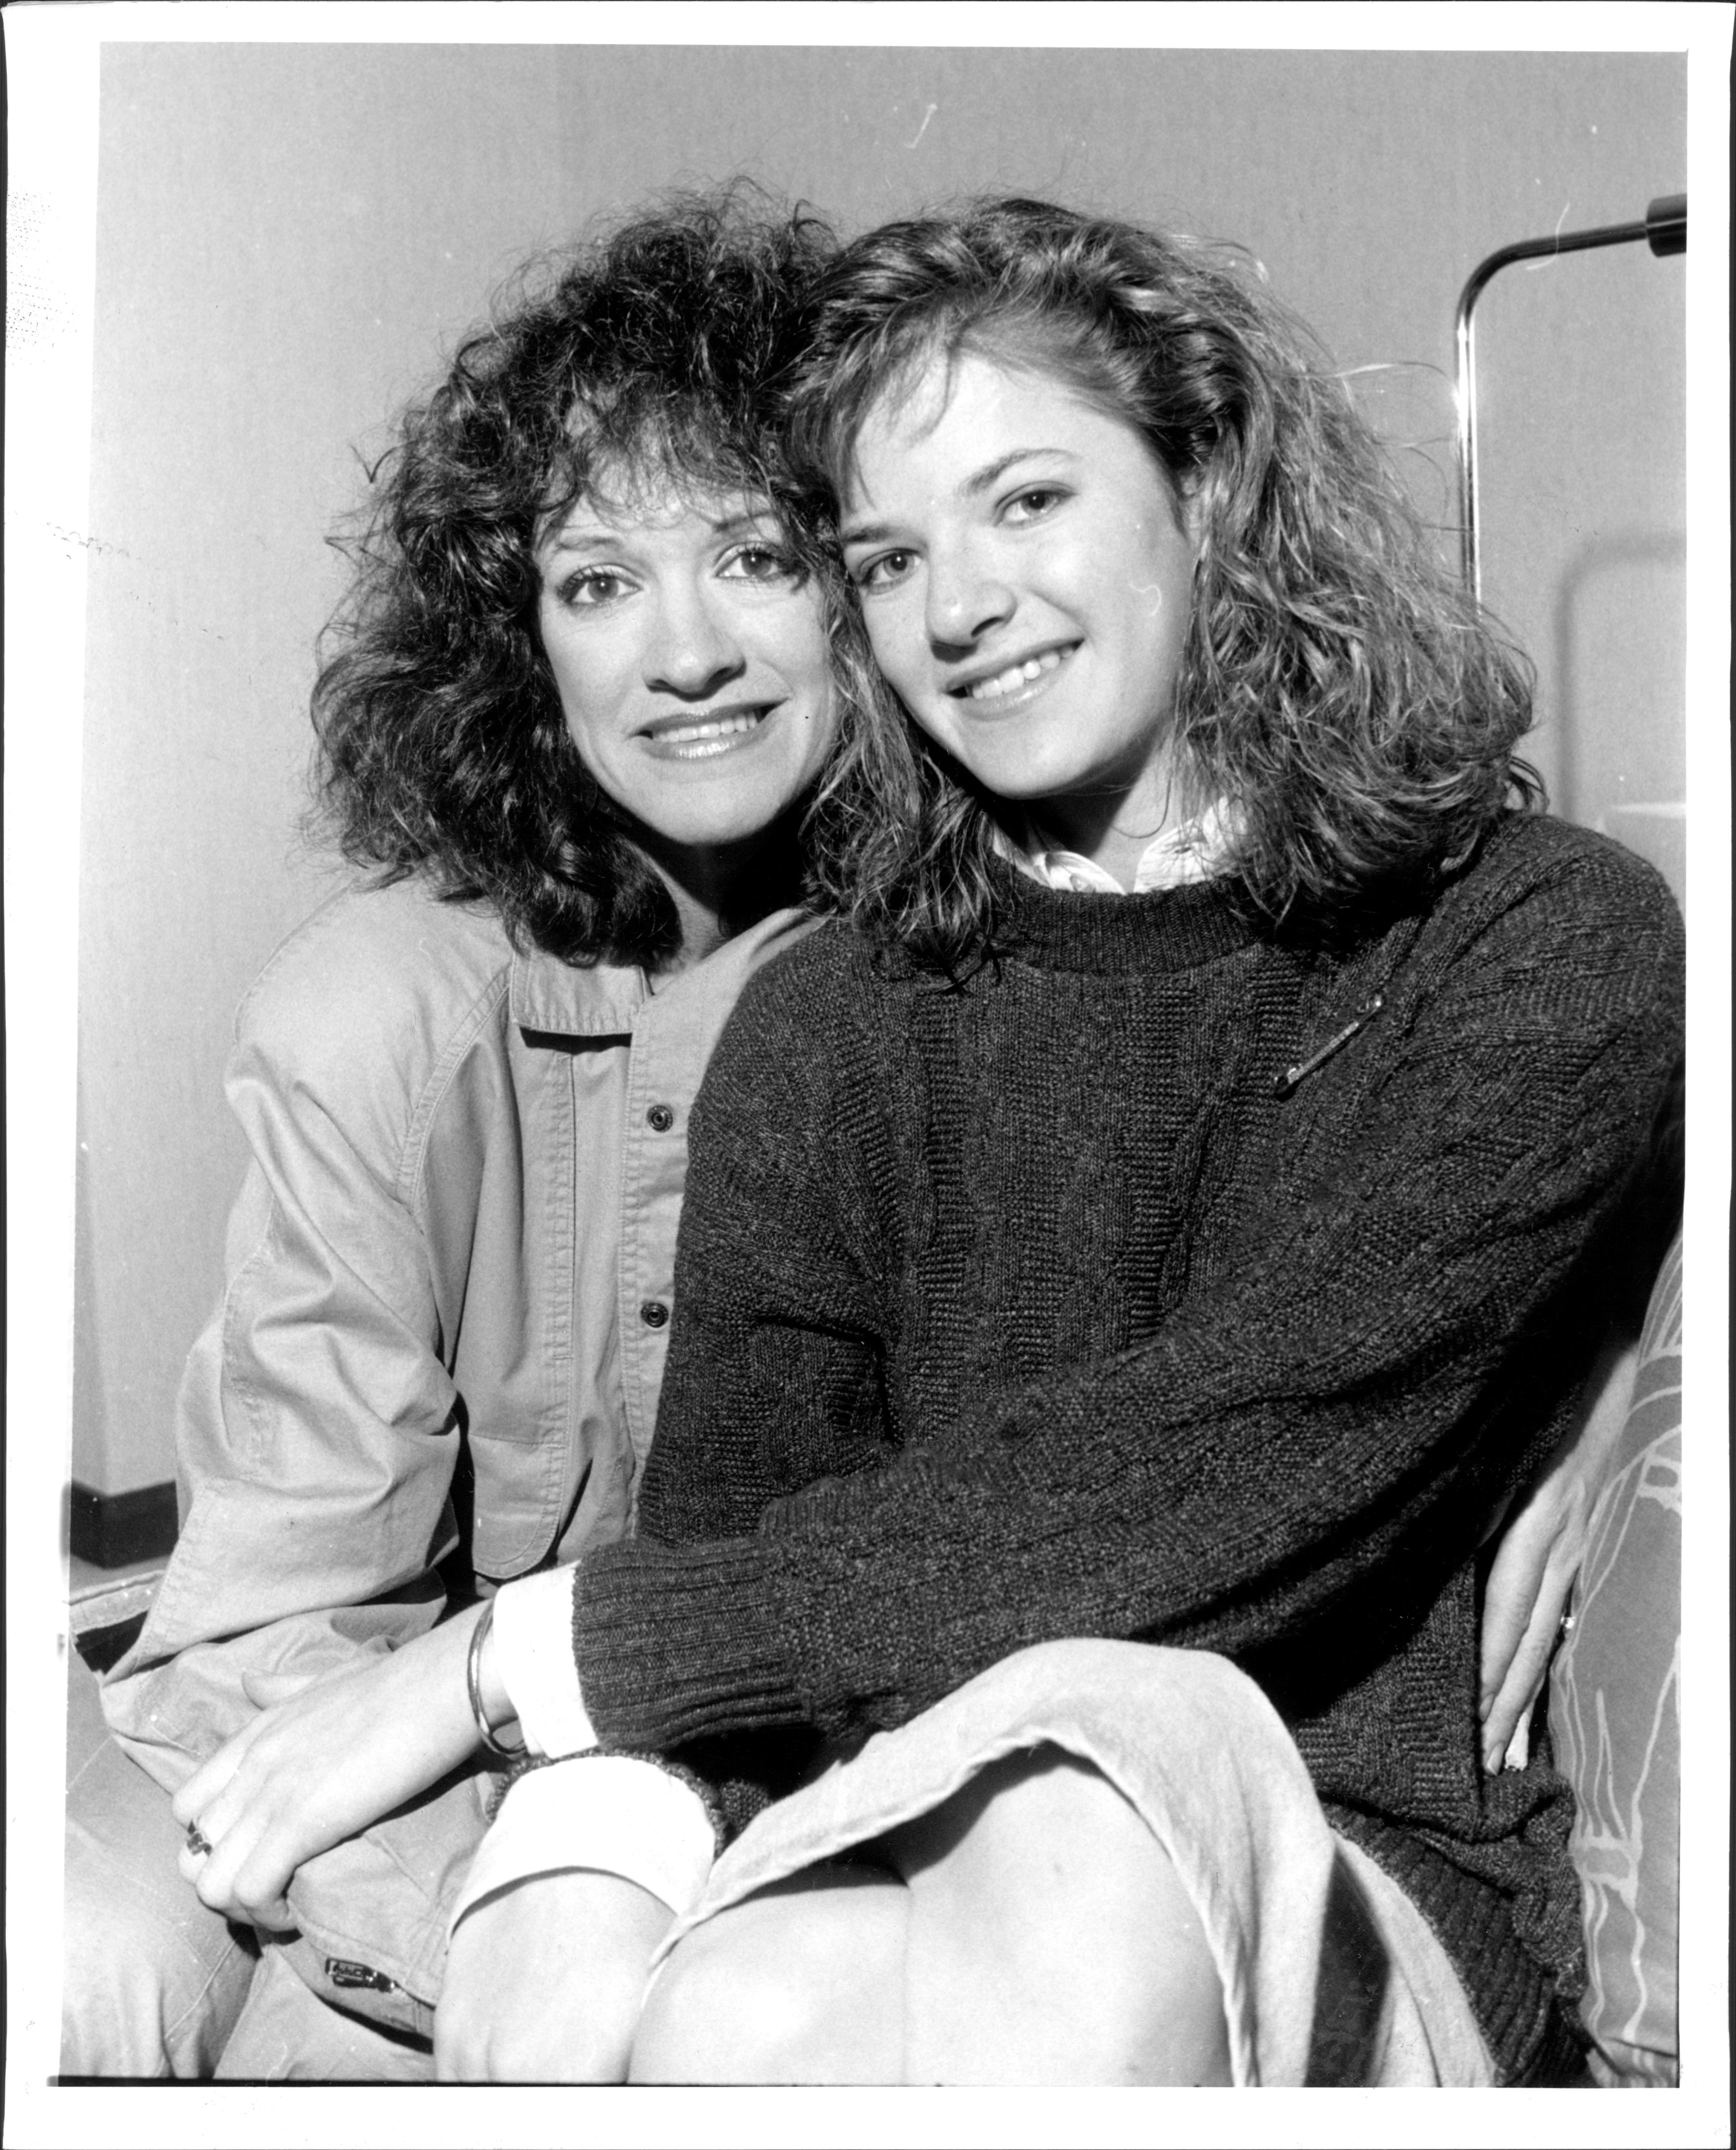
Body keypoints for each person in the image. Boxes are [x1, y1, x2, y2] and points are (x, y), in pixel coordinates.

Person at [435, 197, 1684, 2086]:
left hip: (1354, 1860)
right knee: (682, 2001)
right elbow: (734, 1571)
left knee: (1088, 1801)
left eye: (1027, 503)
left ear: (1204, 490)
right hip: (910, 1816)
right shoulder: (833, 1023)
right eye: (886, 556)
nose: (959, 607)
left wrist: (518, 1655)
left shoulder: (1531, 935)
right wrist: (571, 1860)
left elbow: (1231, 1462)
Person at [60, 192, 855, 2081]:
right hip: (327, 1727)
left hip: (727, 1764)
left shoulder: (964, 994)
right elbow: (287, 1613)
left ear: (870, 582)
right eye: (597, 584)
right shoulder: (383, 1007)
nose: (684, 655)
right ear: (521, 650)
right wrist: (462, 1903)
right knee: (97, 1977)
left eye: (756, 556)